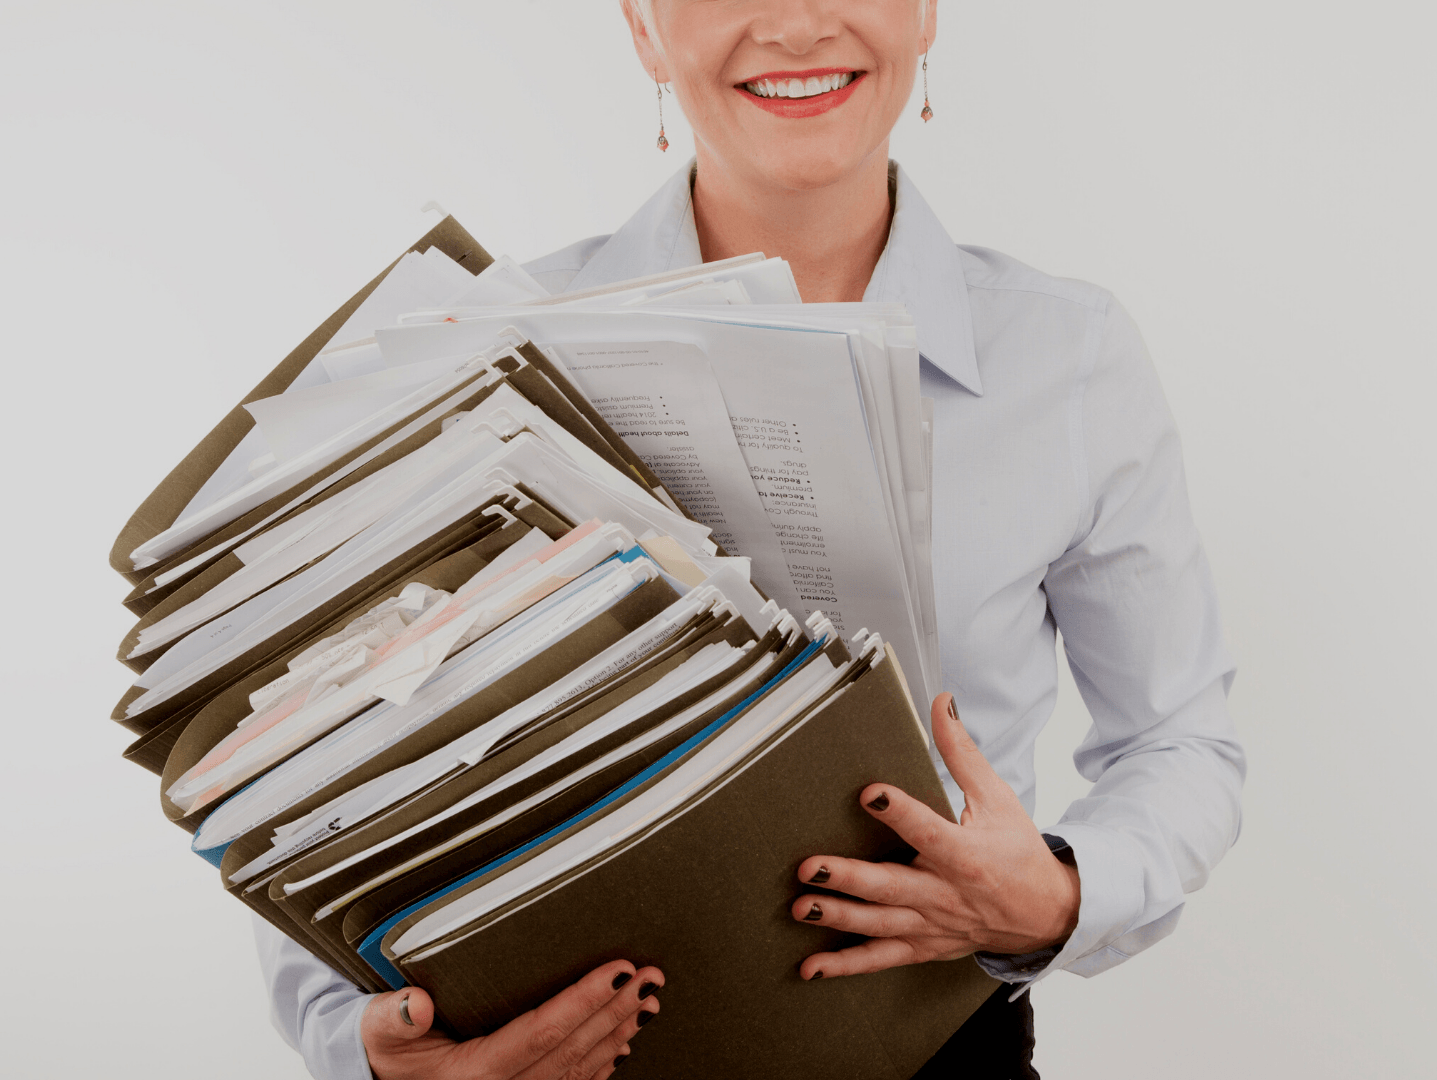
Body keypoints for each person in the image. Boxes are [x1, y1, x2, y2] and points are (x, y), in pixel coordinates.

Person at [255, 2, 1247, 1077]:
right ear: (642, 27)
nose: (796, 24)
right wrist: (365, 1048)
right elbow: (320, 761)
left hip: (938, 1053)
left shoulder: (1068, 355)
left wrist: (1057, 893)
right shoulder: (486, 350)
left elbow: (1177, 740)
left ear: (925, 12)